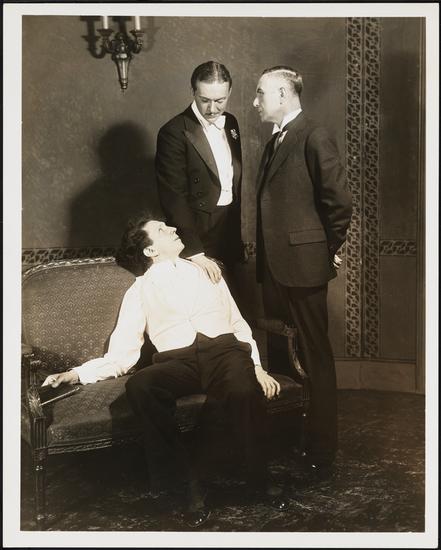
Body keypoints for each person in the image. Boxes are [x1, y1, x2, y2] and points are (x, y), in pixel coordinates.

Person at [42, 215, 288, 528]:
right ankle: (184, 485)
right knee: (141, 385)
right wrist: (75, 374)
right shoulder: (140, 289)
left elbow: (238, 324)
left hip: (225, 354)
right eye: (162, 229)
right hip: (178, 362)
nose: (173, 228)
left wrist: (257, 367)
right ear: (150, 251)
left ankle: (259, 479)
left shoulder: (207, 270)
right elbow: (121, 354)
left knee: (242, 389)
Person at [253, 66, 352, 474]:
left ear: (282, 94)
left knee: (314, 355)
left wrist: (326, 250)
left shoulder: (314, 134)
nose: (255, 102)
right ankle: (288, 437)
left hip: (304, 265)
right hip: (276, 266)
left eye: (260, 94)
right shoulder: (275, 141)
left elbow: (339, 203)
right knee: (283, 350)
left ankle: (322, 448)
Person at [155, 61, 244, 285]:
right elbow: (173, 196)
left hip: (229, 229)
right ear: (193, 91)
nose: (212, 109)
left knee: (234, 297)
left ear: (230, 92)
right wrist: (194, 251)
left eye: (220, 100)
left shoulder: (231, 123)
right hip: (198, 233)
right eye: (204, 100)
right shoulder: (173, 132)